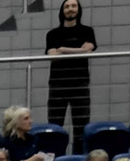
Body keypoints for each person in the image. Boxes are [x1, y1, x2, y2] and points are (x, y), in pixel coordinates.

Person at [44, 0, 97, 133]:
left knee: (81, 126)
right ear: (62, 11)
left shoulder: (87, 31)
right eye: (67, 7)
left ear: (78, 9)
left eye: (73, 6)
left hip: (80, 83)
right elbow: (53, 56)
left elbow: (87, 51)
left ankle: (79, 148)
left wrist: (62, 49)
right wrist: (79, 50)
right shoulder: (53, 34)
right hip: (57, 84)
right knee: (55, 126)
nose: (70, 9)